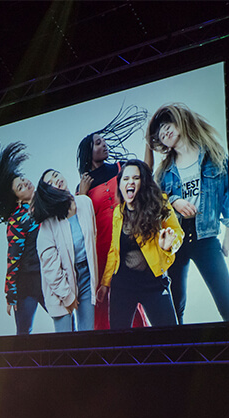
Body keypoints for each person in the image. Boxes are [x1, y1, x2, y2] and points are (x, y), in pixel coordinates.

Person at [145, 103, 229, 324]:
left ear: (180, 121)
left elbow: (228, 197)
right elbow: (153, 204)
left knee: (228, 305)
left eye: (167, 124)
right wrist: (173, 200)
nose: (164, 131)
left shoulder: (214, 157)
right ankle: (176, 355)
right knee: (175, 307)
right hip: (176, 239)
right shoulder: (164, 172)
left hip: (206, 238)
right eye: (159, 132)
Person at [75, 104, 150, 330]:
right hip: (100, 248)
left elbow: (144, 174)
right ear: (89, 151)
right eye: (98, 143)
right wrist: (81, 194)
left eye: (104, 141)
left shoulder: (120, 168)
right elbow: (77, 221)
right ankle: (105, 346)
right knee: (103, 295)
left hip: (126, 239)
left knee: (131, 290)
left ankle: (140, 338)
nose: (104, 144)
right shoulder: (83, 184)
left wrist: (148, 143)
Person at [98, 160, 183, 328]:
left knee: (171, 337)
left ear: (143, 182)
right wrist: (105, 283)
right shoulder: (118, 212)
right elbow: (114, 250)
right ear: (120, 184)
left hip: (153, 282)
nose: (130, 182)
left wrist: (168, 245)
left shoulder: (160, 204)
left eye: (136, 178)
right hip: (122, 285)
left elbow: (177, 233)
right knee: (119, 342)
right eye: (125, 178)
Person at [0, 142, 46, 334]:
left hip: (49, 276)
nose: (25, 183)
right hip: (27, 282)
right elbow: (13, 257)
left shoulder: (47, 203)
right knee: (23, 334)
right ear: (18, 198)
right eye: (20, 186)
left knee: (67, 324)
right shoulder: (17, 220)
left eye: (23, 180)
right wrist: (11, 293)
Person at [32, 169, 97, 332]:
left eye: (56, 175)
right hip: (60, 283)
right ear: (49, 193)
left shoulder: (85, 202)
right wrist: (68, 297)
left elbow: (92, 240)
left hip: (86, 277)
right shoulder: (48, 225)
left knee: (87, 335)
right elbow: (50, 269)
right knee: (65, 341)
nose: (56, 180)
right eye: (50, 183)